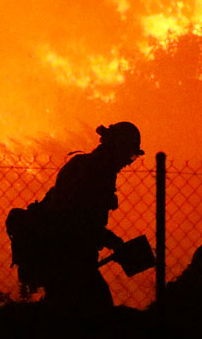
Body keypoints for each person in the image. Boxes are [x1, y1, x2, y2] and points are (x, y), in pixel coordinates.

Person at [19, 122, 144, 310]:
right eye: (130, 155)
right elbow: (73, 219)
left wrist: (108, 240)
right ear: (116, 148)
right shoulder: (93, 172)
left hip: (71, 256)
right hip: (67, 257)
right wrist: (112, 241)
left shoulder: (94, 170)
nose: (128, 162)